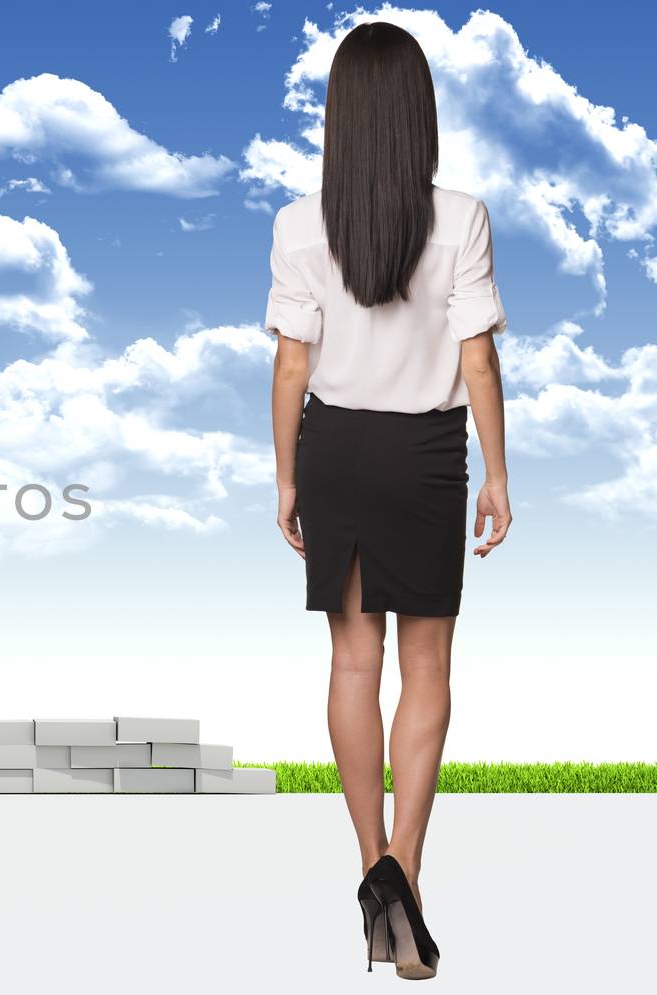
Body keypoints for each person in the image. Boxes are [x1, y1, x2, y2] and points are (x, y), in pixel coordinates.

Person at [263, 20, 513, 982]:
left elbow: (292, 364)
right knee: (428, 662)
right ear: (420, 115)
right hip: (423, 453)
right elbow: (478, 357)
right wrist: (497, 470)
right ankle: (407, 869)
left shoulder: (297, 222)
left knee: (351, 660)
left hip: (333, 444)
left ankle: (372, 869)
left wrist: (286, 475)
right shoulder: (463, 217)